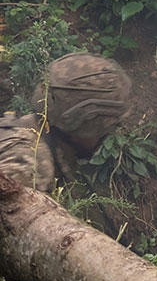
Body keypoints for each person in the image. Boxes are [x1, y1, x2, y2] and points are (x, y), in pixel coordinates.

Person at [0, 53, 132, 192]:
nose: (109, 133)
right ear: (81, 122)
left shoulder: (23, 131)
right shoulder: (31, 168)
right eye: (108, 126)